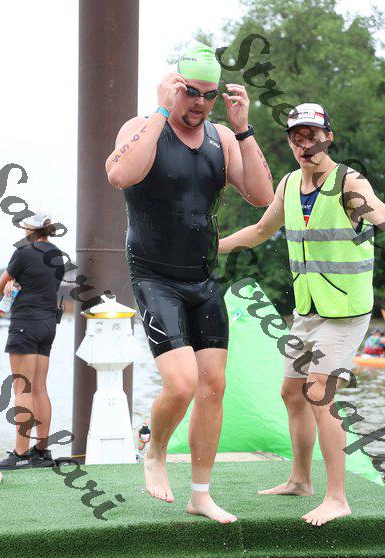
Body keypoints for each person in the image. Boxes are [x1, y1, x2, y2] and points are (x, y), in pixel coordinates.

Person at [105, 44, 274, 523]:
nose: (199, 103)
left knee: (213, 386)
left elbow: (262, 195)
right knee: (180, 385)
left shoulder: (223, 139)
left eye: (209, 95)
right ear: (172, 87)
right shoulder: (143, 127)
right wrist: (161, 111)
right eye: (190, 92)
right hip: (154, 276)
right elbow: (119, 174)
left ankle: (200, 494)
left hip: (203, 278)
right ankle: (155, 450)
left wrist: (244, 129)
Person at [219, 102, 385, 526]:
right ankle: (300, 480)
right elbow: (261, 231)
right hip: (308, 308)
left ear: (328, 137)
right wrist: (212, 247)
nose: (305, 144)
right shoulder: (290, 184)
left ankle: (337, 498)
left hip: (346, 310)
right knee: (291, 393)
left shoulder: (350, 182)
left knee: (317, 392)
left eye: (312, 135)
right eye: (297, 137)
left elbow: (380, 215)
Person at [0, 207, 65, 470]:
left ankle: (21, 453)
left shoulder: (23, 252)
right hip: (48, 325)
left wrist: (10, 286)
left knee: (22, 388)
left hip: (25, 323)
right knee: (40, 388)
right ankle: (42, 452)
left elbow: (0, 287)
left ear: (29, 229)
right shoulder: (58, 255)